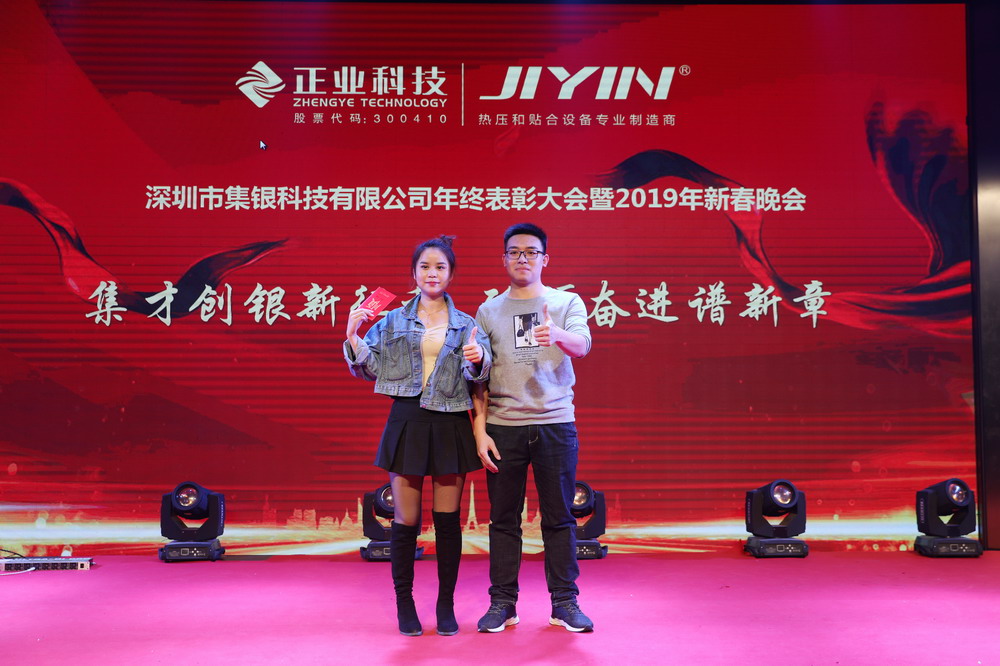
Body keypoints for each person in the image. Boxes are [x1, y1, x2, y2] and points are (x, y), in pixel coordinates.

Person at [345, 235, 491, 637]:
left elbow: (481, 374)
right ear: (413, 273)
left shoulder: (468, 324)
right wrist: (353, 335)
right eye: (425, 266)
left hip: (450, 422)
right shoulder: (392, 320)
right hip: (406, 421)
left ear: (451, 274)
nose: (432, 273)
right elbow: (370, 368)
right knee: (405, 521)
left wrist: (478, 360)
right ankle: (404, 604)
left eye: (440, 267)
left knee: (448, 522)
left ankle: (446, 605)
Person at [472, 223, 595, 633]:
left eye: (530, 252)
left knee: (559, 518)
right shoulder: (488, 311)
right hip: (503, 426)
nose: (522, 258)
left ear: (545, 259)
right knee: (503, 520)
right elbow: (478, 377)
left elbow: (583, 346)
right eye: (514, 252)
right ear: (503, 259)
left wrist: (556, 334)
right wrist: (480, 431)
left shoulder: (566, 302)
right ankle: (502, 603)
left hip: (555, 424)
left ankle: (565, 603)